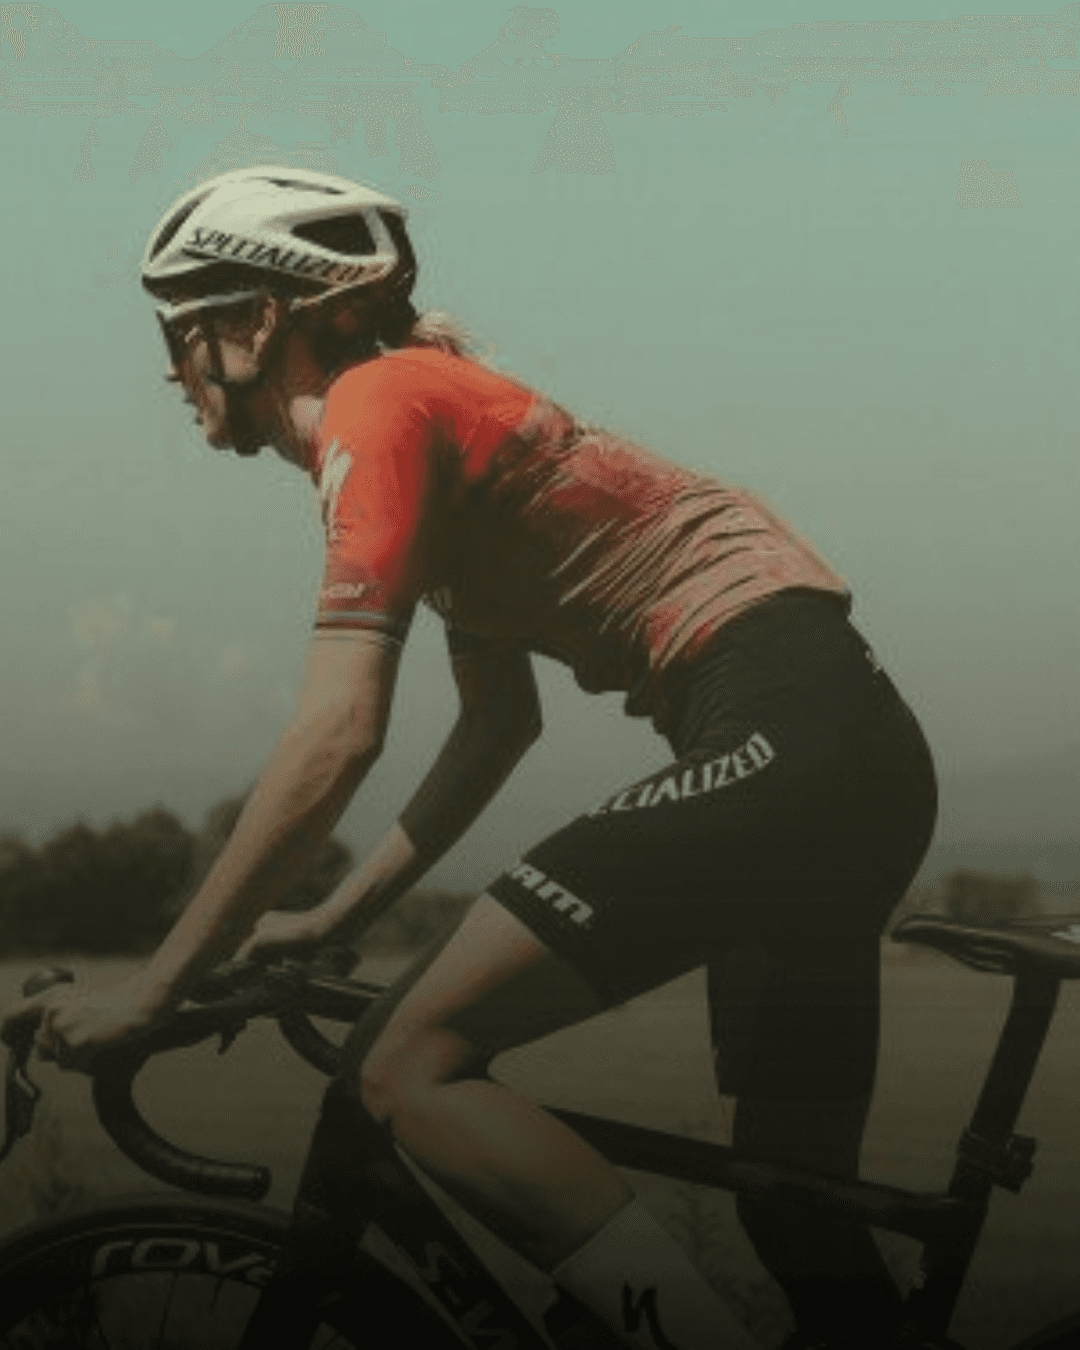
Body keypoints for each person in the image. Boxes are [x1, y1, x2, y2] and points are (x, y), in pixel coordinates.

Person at [3, 167, 937, 1349]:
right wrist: (331, 913)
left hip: (781, 737)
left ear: (254, 323)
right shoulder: (430, 414)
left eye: (179, 331)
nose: (170, 368)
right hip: (845, 755)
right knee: (800, 1216)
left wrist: (157, 986)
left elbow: (338, 734)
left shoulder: (378, 407)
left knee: (411, 1067)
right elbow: (499, 727)